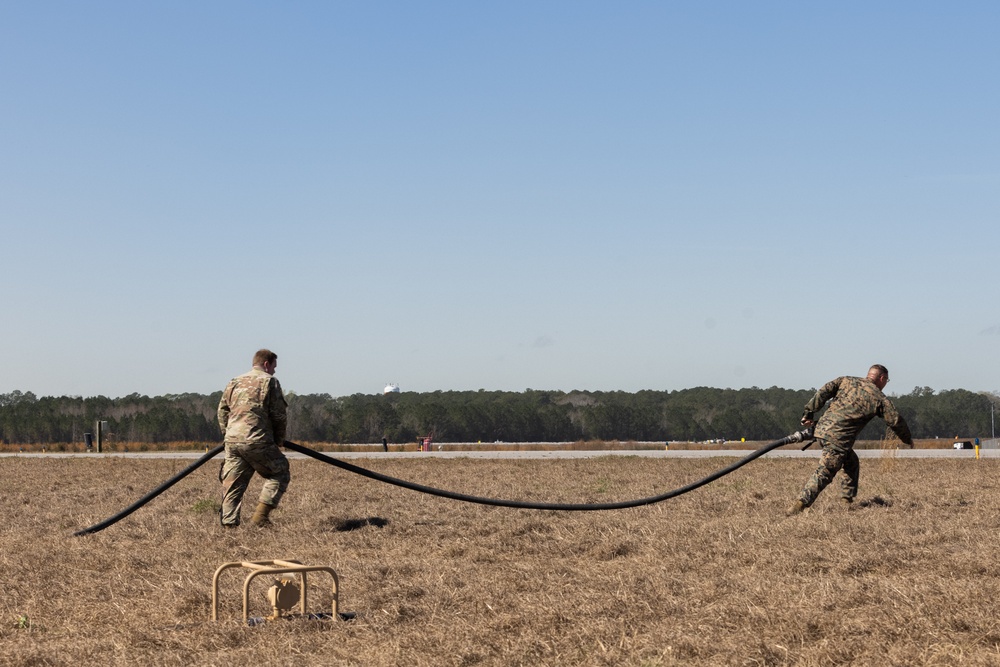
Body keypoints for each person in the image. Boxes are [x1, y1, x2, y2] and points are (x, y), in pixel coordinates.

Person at [788, 364, 913, 515]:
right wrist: (907, 439)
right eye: (887, 381)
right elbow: (895, 421)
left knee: (851, 462)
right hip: (838, 438)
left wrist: (808, 413)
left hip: (821, 430)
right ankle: (799, 504)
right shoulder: (879, 398)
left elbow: (823, 392)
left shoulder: (846, 380)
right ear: (882, 378)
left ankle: (846, 501)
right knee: (826, 471)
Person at [217, 349, 290, 527]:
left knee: (233, 483)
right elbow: (278, 414)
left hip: (233, 441)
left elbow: (222, 411)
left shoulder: (235, 381)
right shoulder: (269, 381)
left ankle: (228, 525)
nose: (274, 371)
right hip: (257, 439)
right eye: (274, 367)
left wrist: (228, 434)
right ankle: (260, 518)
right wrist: (279, 439)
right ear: (266, 364)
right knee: (280, 472)